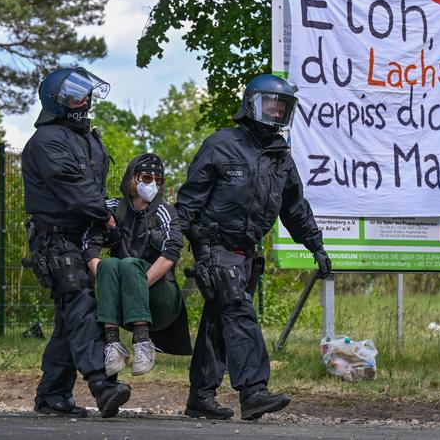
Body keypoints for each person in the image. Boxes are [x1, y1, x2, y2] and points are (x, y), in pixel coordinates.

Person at [175, 74, 333, 421]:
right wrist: (174, 246)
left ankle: (200, 397)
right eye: (270, 105)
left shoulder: (280, 158)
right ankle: (253, 392)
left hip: (247, 252)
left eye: (283, 107)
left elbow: (294, 207)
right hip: (214, 246)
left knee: (220, 320)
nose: (276, 113)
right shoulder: (221, 144)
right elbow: (187, 203)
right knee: (239, 310)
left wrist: (315, 246)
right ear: (251, 104)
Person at [22, 67, 131, 418]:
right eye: (74, 95)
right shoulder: (47, 140)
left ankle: (53, 396)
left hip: (82, 238)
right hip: (55, 242)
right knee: (82, 306)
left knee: (70, 320)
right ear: (57, 100)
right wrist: (106, 214)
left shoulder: (88, 137)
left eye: (85, 94)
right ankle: (102, 384)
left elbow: (94, 193)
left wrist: (107, 222)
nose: (83, 101)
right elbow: (77, 190)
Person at [83, 153, 192, 377]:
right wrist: (108, 282)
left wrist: (135, 286)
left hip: (160, 296)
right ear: (132, 178)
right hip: (122, 300)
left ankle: (143, 341)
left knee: (130, 265)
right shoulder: (111, 208)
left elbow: (172, 252)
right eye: (146, 178)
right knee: (112, 264)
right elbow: (89, 246)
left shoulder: (165, 210)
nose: (152, 184)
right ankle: (113, 344)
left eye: (158, 180)